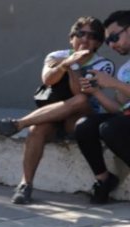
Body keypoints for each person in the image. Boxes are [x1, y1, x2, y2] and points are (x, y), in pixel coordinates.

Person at [0, 17, 113, 204]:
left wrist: (74, 66)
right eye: (81, 34)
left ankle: (17, 124)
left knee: (79, 99)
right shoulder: (56, 55)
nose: (85, 40)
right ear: (71, 37)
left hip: (80, 119)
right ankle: (25, 184)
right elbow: (48, 79)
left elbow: (80, 93)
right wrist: (65, 63)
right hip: (53, 115)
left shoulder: (104, 65)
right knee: (36, 129)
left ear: (98, 43)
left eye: (92, 36)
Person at [76, 10, 130, 205]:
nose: (112, 44)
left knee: (111, 128)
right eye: (108, 41)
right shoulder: (125, 69)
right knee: (84, 125)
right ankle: (103, 179)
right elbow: (119, 111)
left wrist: (114, 84)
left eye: (114, 37)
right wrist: (97, 92)